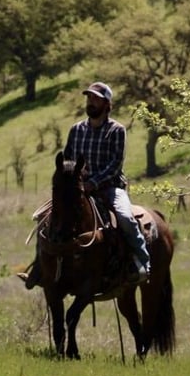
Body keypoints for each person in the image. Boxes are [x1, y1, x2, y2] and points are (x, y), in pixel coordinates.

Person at [23, 81, 150, 288]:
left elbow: (115, 164)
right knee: (44, 218)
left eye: (95, 99)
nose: (90, 102)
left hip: (109, 187)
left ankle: (141, 262)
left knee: (125, 217)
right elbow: (68, 159)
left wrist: (93, 183)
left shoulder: (116, 130)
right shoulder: (77, 129)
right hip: (77, 189)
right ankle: (39, 267)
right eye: (89, 98)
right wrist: (70, 180)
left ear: (106, 104)